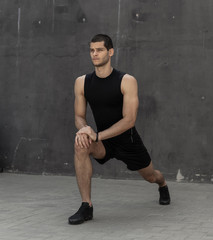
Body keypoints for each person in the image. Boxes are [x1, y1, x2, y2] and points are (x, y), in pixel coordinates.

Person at [68, 34, 170, 225]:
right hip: (102, 142)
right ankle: (86, 206)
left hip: (127, 141)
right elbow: (79, 116)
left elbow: (129, 120)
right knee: (80, 144)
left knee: (150, 176)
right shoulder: (82, 82)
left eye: (99, 50)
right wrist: (84, 130)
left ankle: (162, 184)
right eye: (92, 50)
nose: (95, 54)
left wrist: (97, 135)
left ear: (110, 52)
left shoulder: (126, 80)